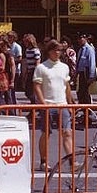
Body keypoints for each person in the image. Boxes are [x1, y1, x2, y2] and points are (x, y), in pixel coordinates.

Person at [32, 38, 74, 170]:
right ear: (49, 51)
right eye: (55, 50)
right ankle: (44, 161)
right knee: (46, 133)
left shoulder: (64, 67)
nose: (58, 53)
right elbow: (37, 86)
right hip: (48, 104)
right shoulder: (42, 68)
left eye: (60, 50)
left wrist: (70, 102)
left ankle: (72, 161)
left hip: (62, 104)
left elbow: (66, 86)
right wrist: (43, 103)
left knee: (67, 132)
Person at [75, 33, 97, 107]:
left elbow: (92, 63)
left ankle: (88, 112)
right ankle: (82, 109)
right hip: (81, 73)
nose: (80, 40)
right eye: (79, 39)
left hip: (86, 72)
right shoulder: (81, 49)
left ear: (85, 39)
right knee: (80, 92)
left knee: (85, 93)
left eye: (81, 38)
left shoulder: (89, 49)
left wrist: (91, 76)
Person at [21, 34, 41, 102]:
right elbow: (27, 62)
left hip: (34, 71)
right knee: (28, 91)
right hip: (29, 71)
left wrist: (36, 73)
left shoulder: (35, 51)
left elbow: (37, 62)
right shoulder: (27, 50)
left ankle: (35, 105)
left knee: (32, 91)